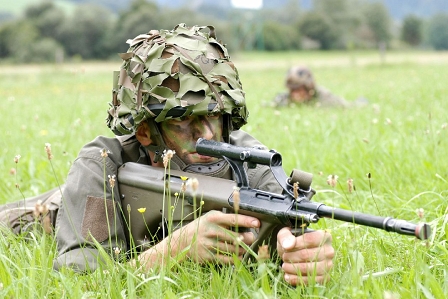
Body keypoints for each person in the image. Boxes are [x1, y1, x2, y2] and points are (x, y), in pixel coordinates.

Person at [0, 24, 334, 286]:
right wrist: (176, 249)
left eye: (214, 116)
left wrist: (307, 255)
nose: (206, 136)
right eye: (184, 122)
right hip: (50, 212)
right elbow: (78, 281)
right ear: (145, 131)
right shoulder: (104, 162)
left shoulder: (250, 158)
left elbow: (287, 221)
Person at [272, 65, 367, 108]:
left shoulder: (325, 98)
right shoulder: (283, 99)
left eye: (299, 89)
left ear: (308, 88)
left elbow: (346, 106)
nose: (295, 94)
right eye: (292, 90)